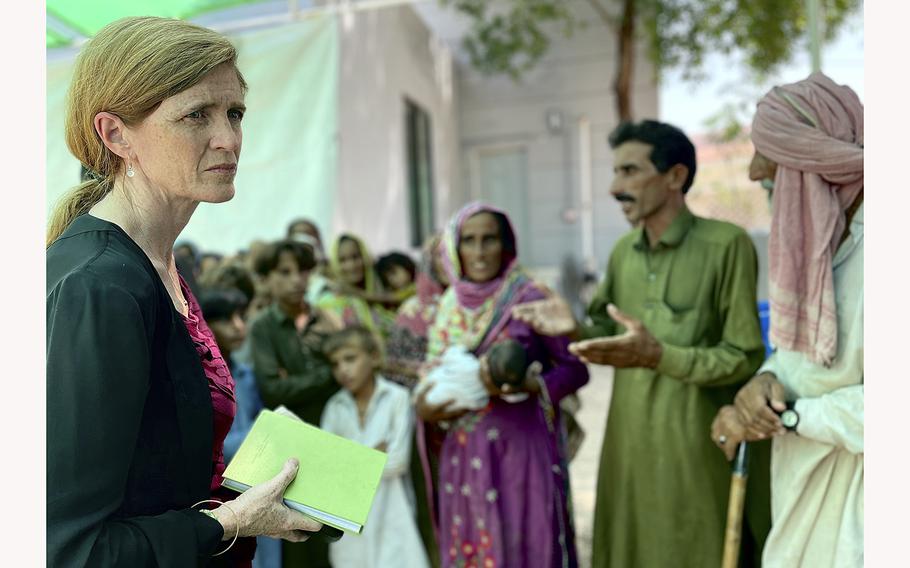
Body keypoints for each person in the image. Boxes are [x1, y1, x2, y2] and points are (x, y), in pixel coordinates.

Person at [46, 17, 322, 567]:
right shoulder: (99, 286)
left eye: (234, 113)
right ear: (116, 134)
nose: (229, 138)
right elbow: (70, 550)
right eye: (196, 115)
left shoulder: (154, 261)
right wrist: (234, 521)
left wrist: (253, 469)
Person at [513, 120, 771, 568]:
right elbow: (607, 335)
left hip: (696, 444)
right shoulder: (623, 252)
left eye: (630, 171)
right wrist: (572, 328)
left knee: (698, 549)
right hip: (629, 442)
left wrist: (659, 355)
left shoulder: (726, 245)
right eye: (615, 173)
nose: (616, 187)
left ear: (675, 176)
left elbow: (743, 356)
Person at [710, 73, 864, 567]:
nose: (756, 171)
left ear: (817, 160)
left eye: (768, 151)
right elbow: (804, 358)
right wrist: (765, 382)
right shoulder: (827, 247)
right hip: (802, 499)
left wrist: (788, 417)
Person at [416, 202, 589, 568]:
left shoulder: (529, 297)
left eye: (489, 240)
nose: (479, 252)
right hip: (463, 452)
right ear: (454, 248)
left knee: (528, 545)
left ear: (506, 244)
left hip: (520, 452)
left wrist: (531, 386)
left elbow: (575, 370)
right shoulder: (448, 305)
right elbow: (433, 379)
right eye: (469, 241)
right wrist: (428, 409)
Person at [247, 239, 341, 568]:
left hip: (332, 434)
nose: (296, 280)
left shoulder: (327, 320)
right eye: (284, 272)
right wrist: (326, 375)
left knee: (333, 539)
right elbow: (273, 390)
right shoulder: (263, 327)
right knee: (297, 538)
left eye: (303, 271)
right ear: (267, 278)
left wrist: (300, 381)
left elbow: (347, 375)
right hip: (293, 445)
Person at [320, 327, 431, 568]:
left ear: (373, 357)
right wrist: (375, 452)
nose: (343, 370)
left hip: (393, 512)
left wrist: (348, 458)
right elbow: (328, 468)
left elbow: (397, 462)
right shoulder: (334, 406)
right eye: (335, 364)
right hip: (348, 516)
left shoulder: (397, 398)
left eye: (350, 359)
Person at [199, 287, 283, 568]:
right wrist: (264, 437)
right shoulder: (200, 377)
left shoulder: (246, 373)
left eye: (241, 317)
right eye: (226, 320)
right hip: (219, 491)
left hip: (257, 480)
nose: (238, 327)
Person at [384, 234, 448, 389]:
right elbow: (395, 367)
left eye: (453, 252)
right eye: (441, 255)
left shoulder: (484, 306)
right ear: (430, 261)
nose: (449, 260)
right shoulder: (411, 311)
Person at [317, 233, 397, 341]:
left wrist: (358, 293)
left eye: (356, 257)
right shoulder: (328, 303)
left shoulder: (383, 291)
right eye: (342, 260)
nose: (351, 265)